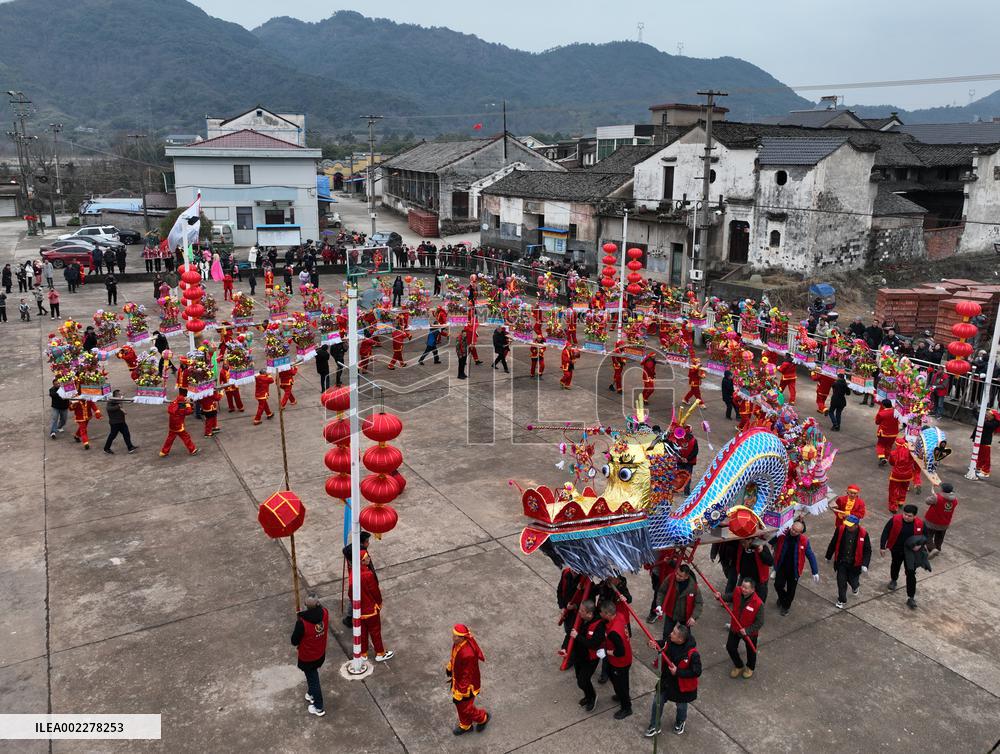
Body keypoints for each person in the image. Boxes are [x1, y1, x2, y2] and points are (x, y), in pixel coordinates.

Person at [644, 623, 701, 737]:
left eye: (674, 633)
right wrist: (652, 643)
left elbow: (697, 672)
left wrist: (678, 672)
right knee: (657, 701)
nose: (670, 634)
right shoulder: (670, 641)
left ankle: (680, 721)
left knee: (681, 706)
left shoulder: (693, 654)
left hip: (682, 686)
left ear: (681, 639)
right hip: (667, 681)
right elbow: (661, 643)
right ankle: (655, 725)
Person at [345, 544, 395, 663]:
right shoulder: (368, 574)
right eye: (367, 557)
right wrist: (379, 603)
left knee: (362, 632)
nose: (369, 558)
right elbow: (375, 591)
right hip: (371, 610)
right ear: (362, 561)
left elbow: (350, 593)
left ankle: (363, 653)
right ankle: (380, 652)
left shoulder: (353, 573)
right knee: (375, 631)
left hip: (359, 610)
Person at [290, 593, 329, 717]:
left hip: (308, 657)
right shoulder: (325, 613)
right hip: (320, 652)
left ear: (305, 605)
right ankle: (311, 693)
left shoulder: (302, 623)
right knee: (312, 677)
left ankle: (319, 707)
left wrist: (300, 618)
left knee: (313, 680)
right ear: (318, 603)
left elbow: (294, 641)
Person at [446, 624, 489, 735]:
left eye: (455, 636)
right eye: (453, 635)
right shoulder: (457, 644)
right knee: (460, 706)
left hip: (467, 686)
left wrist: (460, 692)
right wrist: (450, 666)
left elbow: (467, 675)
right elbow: (454, 657)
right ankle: (465, 725)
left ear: (462, 637)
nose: (453, 637)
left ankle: (482, 717)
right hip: (458, 681)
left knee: (466, 708)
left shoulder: (468, 654)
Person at [770, 520, 820, 616]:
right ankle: (783, 598)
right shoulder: (783, 534)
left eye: (796, 531)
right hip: (781, 567)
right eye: (792, 529)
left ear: (800, 532)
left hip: (794, 570)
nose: (793, 532)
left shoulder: (804, 541)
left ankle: (786, 607)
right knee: (778, 585)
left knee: (791, 590)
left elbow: (810, 555)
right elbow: (771, 541)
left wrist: (815, 571)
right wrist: (777, 533)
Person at [880, 504, 924, 609]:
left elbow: (925, 537)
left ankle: (911, 597)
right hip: (897, 549)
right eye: (905, 514)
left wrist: (920, 545)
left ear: (915, 516)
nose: (906, 517)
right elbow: (885, 532)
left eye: (909, 516)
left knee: (911, 573)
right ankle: (893, 579)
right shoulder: (895, 520)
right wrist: (882, 546)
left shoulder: (920, 524)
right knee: (895, 565)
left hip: (911, 553)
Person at [826, 515, 871, 608]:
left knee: (853, 581)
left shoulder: (863, 534)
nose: (847, 527)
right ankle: (841, 600)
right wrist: (828, 556)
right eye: (847, 525)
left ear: (856, 525)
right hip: (841, 562)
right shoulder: (840, 530)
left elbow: (867, 550)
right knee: (841, 581)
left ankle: (855, 586)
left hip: (855, 564)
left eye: (850, 526)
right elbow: (833, 542)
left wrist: (865, 564)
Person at [568, 600, 605, 712]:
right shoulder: (580, 619)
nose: (579, 612)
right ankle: (588, 696)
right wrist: (566, 648)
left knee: (583, 680)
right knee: (580, 678)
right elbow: (570, 633)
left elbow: (593, 644)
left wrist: (577, 636)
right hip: (579, 655)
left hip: (590, 659)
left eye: (582, 610)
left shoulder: (599, 625)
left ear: (589, 613)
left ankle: (592, 697)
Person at [600, 600, 633, 719]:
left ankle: (626, 708)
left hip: (620, 662)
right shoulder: (620, 615)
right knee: (618, 679)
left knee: (620, 685)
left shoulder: (613, 632)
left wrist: (606, 652)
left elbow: (620, 652)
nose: (600, 614)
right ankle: (622, 696)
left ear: (608, 614)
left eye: (602, 612)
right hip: (626, 658)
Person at [727, 577, 764, 679]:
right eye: (742, 586)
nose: (742, 589)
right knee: (730, 647)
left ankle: (750, 667)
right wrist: (720, 596)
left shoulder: (758, 603)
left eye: (746, 588)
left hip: (749, 633)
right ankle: (739, 665)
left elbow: (760, 622)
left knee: (751, 651)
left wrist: (747, 630)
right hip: (735, 627)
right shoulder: (738, 591)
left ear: (752, 589)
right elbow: (731, 597)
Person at [653, 563, 702, 631]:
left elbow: (699, 602)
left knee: (684, 636)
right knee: (666, 633)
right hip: (671, 614)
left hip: (685, 617)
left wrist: (693, 617)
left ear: (686, 577)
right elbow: (661, 592)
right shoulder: (670, 578)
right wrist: (659, 605)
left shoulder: (694, 587)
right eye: (677, 573)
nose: (677, 576)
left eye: (680, 576)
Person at [923, 482, 958, 556]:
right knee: (940, 537)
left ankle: (932, 548)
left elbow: (927, 501)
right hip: (945, 523)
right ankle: (938, 548)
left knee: (927, 535)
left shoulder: (937, 497)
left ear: (942, 490)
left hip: (932, 522)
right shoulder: (955, 500)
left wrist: (933, 494)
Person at [887, 436, 917, 513]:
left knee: (893, 490)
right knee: (904, 488)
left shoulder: (893, 453)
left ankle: (893, 507)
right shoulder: (911, 452)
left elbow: (891, 463)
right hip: (908, 475)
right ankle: (901, 501)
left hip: (896, 475)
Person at [103, 390, 138, 454]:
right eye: (120, 394)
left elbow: (126, 402)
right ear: (116, 395)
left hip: (121, 421)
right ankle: (106, 448)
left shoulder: (119, 400)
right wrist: (118, 406)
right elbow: (109, 409)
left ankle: (130, 447)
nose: (121, 396)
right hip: (115, 423)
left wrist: (131, 401)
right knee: (112, 436)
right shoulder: (111, 401)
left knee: (126, 434)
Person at [973, 408, 999, 478]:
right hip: (981, 441)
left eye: (988, 414)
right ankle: (978, 467)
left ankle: (985, 472)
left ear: (993, 416)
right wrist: (975, 412)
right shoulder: (987, 420)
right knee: (980, 455)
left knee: (986, 458)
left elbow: (983, 422)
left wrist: (975, 413)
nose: (987, 415)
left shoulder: (994, 423)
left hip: (986, 443)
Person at [874, 398, 898, 465]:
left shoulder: (881, 413)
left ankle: (882, 457)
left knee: (880, 445)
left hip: (884, 433)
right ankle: (886, 458)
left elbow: (877, 422)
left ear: (883, 405)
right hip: (893, 433)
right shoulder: (896, 412)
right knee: (889, 446)